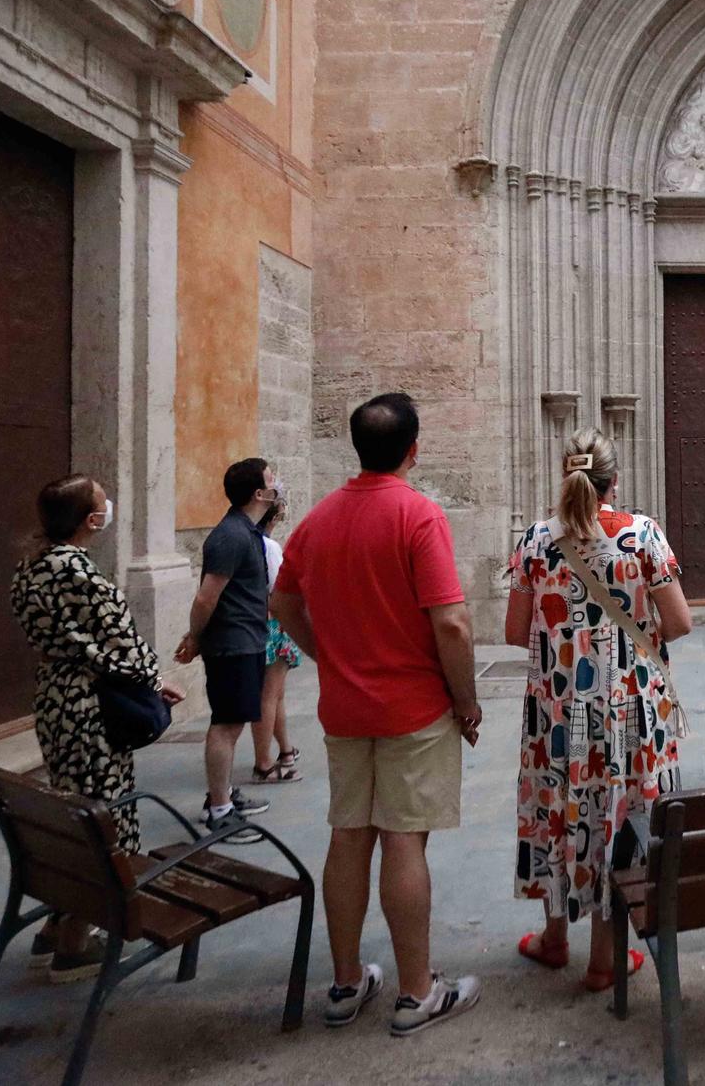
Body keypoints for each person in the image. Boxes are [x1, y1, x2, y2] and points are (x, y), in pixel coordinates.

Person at [270, 394, 483, 1036]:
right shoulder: (418, 516)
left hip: (344, 708)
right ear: (414, 449)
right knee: (403, 839)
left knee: (348, 836)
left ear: (354, 446)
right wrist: (466, 701)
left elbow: (282, 602)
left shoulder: (318, 519)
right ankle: (418, 991)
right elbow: (450, 621)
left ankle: (344, 982)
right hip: (414, 709)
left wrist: (325, 654)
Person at [509, 428, 694, 993]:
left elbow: (517, 631)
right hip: (632, 708)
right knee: (620, 812)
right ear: (616, 479)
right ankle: (604, 957)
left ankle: (556, 936)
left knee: (558, 806)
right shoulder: (643, 536)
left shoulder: (537, 540)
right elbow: (681, 623)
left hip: (556, 709)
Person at [9, 475, 184, 982]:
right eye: (104, 502)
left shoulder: (31, 567)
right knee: (102, 808)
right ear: (90, 520)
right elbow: (121, 640)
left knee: (72, 797)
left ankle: (54, 927)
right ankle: (74, 941)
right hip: (90, 703)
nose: (109, 507)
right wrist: (155, 682)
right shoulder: (78, 572)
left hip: (55, 696)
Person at [176, 458, 281, 833]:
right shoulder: (231, 536)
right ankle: (218, 809)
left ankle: (223, 793)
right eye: (272, 480)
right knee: (226, 725)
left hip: (247, 640)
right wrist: (196, 637)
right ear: (258, 493)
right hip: (233, 644)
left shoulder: (246, 532)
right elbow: (206, 598)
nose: (276, 485)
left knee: (233, 723)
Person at [251, 481, 305, 785]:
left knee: (275, 694)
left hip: (264, 625)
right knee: (269, 696)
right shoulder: (268, 547)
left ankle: (284, 750)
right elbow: (278, 588)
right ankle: (264, 760)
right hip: (271, 626)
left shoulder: (255, 542)